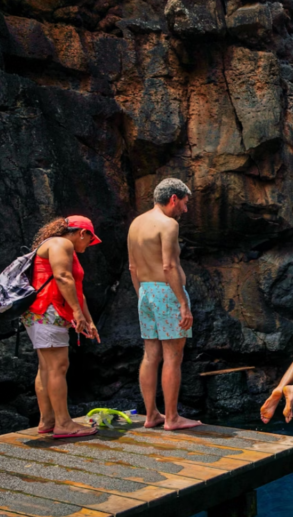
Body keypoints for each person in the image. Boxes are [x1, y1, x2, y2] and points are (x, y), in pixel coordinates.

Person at [128, 178, 201, 431]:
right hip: (167, 292)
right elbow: (169, 266)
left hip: (145, 292)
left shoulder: (136, 224)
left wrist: (141, 296)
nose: (185, 209)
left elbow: (133, 267)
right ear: (173, 199)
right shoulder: (168, 224)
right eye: (184, 202)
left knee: (150, 355)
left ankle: (151, 415)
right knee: (173, 356)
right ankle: (171, 418)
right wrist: (183, 303)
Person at [27, 216, 102, 439]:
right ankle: (63, 423)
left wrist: (88, 320)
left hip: (42, 311)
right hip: (47, 308)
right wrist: (76, 314)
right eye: (90, 240)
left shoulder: (56, 245)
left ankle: (48, 420)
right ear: (82, 233)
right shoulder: (62, 244)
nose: (88, 246)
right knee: (58, 365)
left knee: (46, 366)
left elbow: (78, 290)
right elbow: (62, 277)